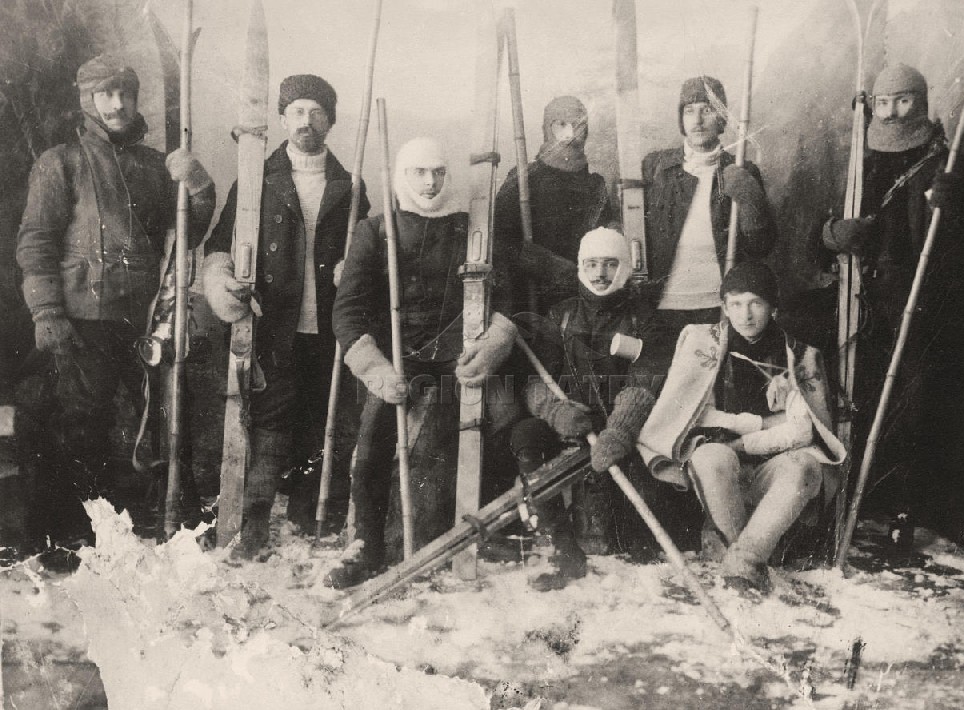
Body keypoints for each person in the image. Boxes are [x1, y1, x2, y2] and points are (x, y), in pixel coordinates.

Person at [16, 54, 216, 541]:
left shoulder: (154, 167)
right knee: (79, 427)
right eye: (105, 93)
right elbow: (37, 241)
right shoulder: (60, 162)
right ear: (87, 100)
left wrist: (198, 185)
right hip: (82, 319)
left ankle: (162, 527)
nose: (118, 103)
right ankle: (69, 538)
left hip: (143, 321)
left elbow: (186, 235)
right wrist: (46, 312)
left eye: (125, 92)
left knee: (157, 419)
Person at [325, 137, 519, 588]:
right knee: (373, 436)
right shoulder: (375, 231)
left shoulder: (471, 229)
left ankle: (467, 535)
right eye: (419, 173)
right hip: (399, 356)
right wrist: (374, 369)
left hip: (459, 355)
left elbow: (509, 294)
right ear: (402, 175)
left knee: (480, 427)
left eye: (438, 172)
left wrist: (495, 341)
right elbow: (347, 310)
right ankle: (366, 543)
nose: (430, 182)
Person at [203, 74, 370, 557]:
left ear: (330, 122)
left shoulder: (350, 186)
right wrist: (223, 280)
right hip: (274, 319)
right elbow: (220, 246)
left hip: (329, 322)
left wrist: (353, 266)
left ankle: (307, 516)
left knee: (323, 417)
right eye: (297, 111)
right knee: (272, 418)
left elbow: (367, 249)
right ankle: (253, 519)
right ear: (281, 119)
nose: (306, 121)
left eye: (317, 113)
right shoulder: (256, 179)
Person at [636, 263, 845, 591]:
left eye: (755, 303)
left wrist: (742, 442)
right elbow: (697, 415)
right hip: (722, 472)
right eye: (735, 303)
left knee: (805, 465)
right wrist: (761, 423)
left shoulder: (798, 355)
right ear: (724, 306)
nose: (745, 315)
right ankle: (749, 552)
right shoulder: (702, 343)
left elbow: (802, 430)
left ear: (773, 307)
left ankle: (745, 560)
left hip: (772, 475)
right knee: (709, 457)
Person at [820, 63, 958, 539]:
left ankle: (905, 506)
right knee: (856, 391)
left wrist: (949, 206)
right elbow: (822, 227)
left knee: (910, 400)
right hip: (862, 293)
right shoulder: (860, 158)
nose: (894, 113)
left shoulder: (941, 159)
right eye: (884, 103)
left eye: (903, 101)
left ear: (921, 101)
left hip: (916, 296)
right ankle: (855, 499)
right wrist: (835, 234)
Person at [512, 227, 662, 587]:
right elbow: (534, 380)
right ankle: (565, 550)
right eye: (591, 264)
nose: (600, 274)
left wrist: (620, 429)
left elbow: (646, 379)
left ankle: (640, 565)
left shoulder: (643, 317)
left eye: (610, 264)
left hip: (629, 426)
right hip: (575, 420)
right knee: (525, 435)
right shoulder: (561, 316)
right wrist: (556, 412)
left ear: (623, 267)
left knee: (637, 525)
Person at [641, 75, 777, 331]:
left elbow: (761, 249)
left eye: (707, 110)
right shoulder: (656, 167)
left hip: (720, 307)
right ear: (681, 119)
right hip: (661, 307)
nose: (698, 120)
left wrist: (750, 201)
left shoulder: (741, 169)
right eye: (689, 111)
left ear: (722, 118)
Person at [494, 95, 617, 315]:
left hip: (585, 300)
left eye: (578, 126)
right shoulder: (524, 179)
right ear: (547, 129)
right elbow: (500, 240)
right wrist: (546, 264)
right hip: (532, 300)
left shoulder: (594, 185)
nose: (570, 134)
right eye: (561, 125)